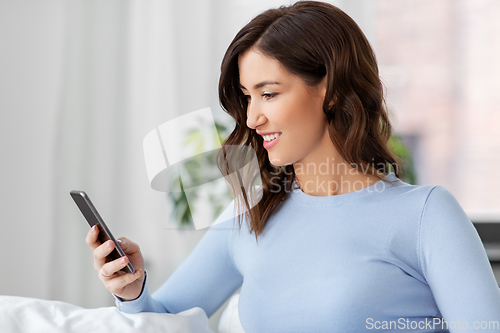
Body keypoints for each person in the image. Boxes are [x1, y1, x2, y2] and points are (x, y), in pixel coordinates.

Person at [86, 1, 500, 332]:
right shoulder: (250, 217)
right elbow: (163, 318)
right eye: (247, 97)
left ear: (332, 91)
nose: (251, 119)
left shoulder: (426, 215)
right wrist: (132, 289)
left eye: (268, 94)